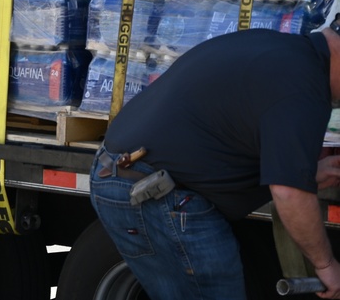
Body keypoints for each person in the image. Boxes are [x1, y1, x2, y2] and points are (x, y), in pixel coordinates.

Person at [89, 22, 340, 299]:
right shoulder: (303, 88)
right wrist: (326, 265)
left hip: (122, 171)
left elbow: (236, 132)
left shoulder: (278, 49)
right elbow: (288, 194)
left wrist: (305, 172)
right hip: (153, 190)